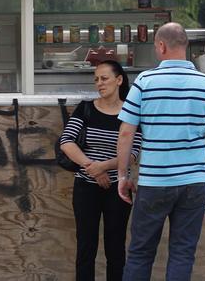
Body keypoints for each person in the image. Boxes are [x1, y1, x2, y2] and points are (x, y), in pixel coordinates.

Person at [116, 23, 205, 281]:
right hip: (194, 183)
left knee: (141, 253)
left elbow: (125, 133)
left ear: (161, 46)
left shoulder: (144, 82)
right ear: (185, 46)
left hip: (154, 182)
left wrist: (123, 175)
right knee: (182, 253)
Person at [60, 60, 143, 281]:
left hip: (119, 188)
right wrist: (92, 168)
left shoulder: (132, 112)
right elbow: (66, 142)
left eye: (104, 78)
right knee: (86, 247)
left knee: (115, 248)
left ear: (119, 80)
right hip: (86, 187)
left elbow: (133, 152)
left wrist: (104, 166)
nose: (99, 83)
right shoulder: (85, 108)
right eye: (96, 79)